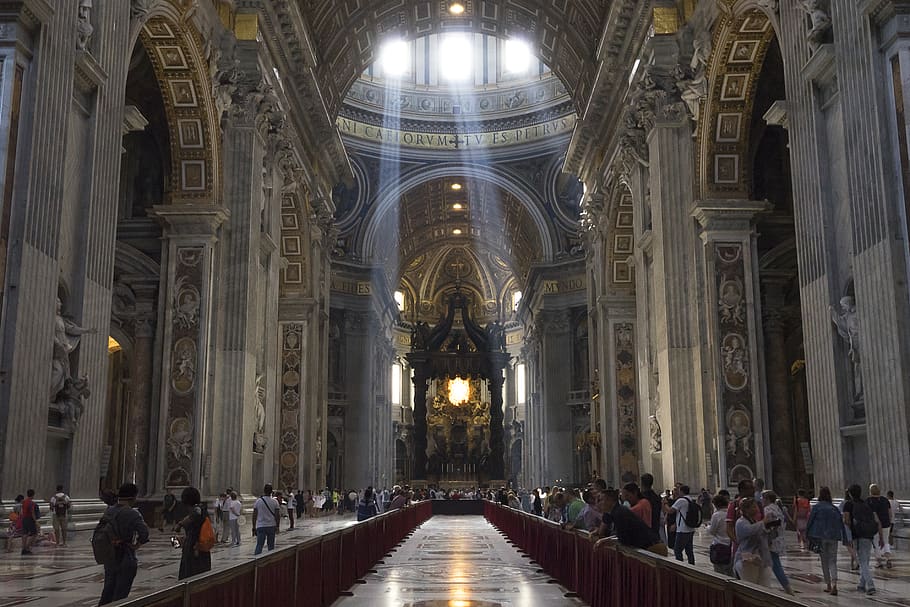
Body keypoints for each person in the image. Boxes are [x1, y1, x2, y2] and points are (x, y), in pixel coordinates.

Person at [98, 482, 150, 605]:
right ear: (133, 497)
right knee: (121, 594)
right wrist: (137, 545)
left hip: (109, 555)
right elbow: (144, 533)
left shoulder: (109, 510)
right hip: (125, 555)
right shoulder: (133, 513)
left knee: (108, 591)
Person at [593, 489, 667, 556]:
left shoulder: (620, 513)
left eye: (601, 500)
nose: (598, 503)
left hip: (652, 549)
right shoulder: (614, 512)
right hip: (646, 547)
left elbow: (623, 540)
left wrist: (605, 541)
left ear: (610, 500)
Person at [843, 483, 882, 596]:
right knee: (866, 560)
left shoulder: (848, 504)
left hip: (857, 535)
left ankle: (870, 585)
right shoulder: (866, 503)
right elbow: (875, 519)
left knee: (862, 561)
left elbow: (846, 520)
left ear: (850, 493)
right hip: (868, 534)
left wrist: (851, 531)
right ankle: (861, 584)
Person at [806, 486, 845, 596]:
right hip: (833, 536)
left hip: (821, 536)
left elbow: (810, 521)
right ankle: (834, 584)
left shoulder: (817, 507)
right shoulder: (834, 508)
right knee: (833, 561)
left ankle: (828, 585)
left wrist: (807, 534)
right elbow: (840, 523)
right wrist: (844, 537)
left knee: (824, 561)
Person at [733, 498, 774, 586]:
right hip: (746, 561)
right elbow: (750, 530)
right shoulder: (741, 522)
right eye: (754, 507)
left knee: (765, 587)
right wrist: (763, 523)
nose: (757, 509)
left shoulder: (754, 521)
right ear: (747, 510)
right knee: (751, 587)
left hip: (761, 559)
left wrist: (769, 528)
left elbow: (763, 536)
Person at [173, 487, 211, 580]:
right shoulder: (201, 509)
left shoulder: (197, 510)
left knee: (192, 575)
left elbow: (193, 517)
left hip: (194, 549)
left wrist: (179, 525)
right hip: (198, 547)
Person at [762, 490, 795, 595]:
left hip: (771, 540)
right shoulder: (777, 508)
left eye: (763, 498)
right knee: (772, 563)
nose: (761, 500)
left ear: (766, 499)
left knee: (775, 564)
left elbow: (769, 525)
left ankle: (787, 587)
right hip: (779, 539)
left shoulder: (768, 509)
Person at [664, 484, 696, 565]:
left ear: (681, 491)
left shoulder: (681, 500)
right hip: (690, 528)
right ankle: (692, 566)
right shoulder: (690, 499)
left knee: (677, 550)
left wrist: (665, 504)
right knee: (689, 550)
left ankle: (681, 567)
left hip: (682, 529)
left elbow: (670, 511)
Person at [866, 484, 892, 568]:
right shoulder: (885, 500)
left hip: (875, 525)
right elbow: (890, 513)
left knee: (876, 542)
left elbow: (871, 514)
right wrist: (889, 522)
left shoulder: (869, 501)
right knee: (886, 541)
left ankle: (879, 561)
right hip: (886, 524)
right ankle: (888, 558)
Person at [708, 494, 733, 577]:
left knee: (719, 572)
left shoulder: (717, 515)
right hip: (731, 544)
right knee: (730, 571)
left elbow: (712, 531)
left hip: (719, 545)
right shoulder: (731, 513)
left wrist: (708, 527)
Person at [253, 484, 280, 554]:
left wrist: (253, 527)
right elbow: (277, 515)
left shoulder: (258, 501)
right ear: (271, 492)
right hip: (271, 525)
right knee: (271, 546)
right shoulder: (275, 502)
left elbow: (254, 515)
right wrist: (277, 526)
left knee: (259, 545)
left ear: (264, 491)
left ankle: (256, 561)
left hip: (261, 525)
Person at [19, 489, 39, 555]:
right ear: (33, 495)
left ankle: (23, 548)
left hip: (24, 518)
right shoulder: (31, 503)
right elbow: (32, 512)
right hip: (29, 519)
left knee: (25, 533)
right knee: (34, 533)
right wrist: (36, 521)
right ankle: (27, 547)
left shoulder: (23, 502)